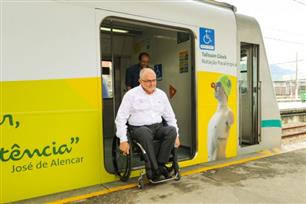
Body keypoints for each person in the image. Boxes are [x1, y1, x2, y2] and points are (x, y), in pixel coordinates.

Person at [115, 68, 180, 180]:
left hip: (157, 127)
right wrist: (123, 140)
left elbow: (170, 116)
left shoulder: (161, 94)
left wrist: (177, 136)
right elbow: (120, 118)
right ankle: (154, 169)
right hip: (139, 129)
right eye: (148, 81)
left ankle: (159, 165)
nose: (151, 83)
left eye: (154, 80)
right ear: (140, 81)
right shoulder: (131, 95)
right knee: (144, 133)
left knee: (171, 131)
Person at [207, 75, 234, 161]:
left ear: (225, 90)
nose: (215, 88)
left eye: (218, 85)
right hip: (210, 165)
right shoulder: (214, 115)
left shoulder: (229, 113)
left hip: (219, 165)